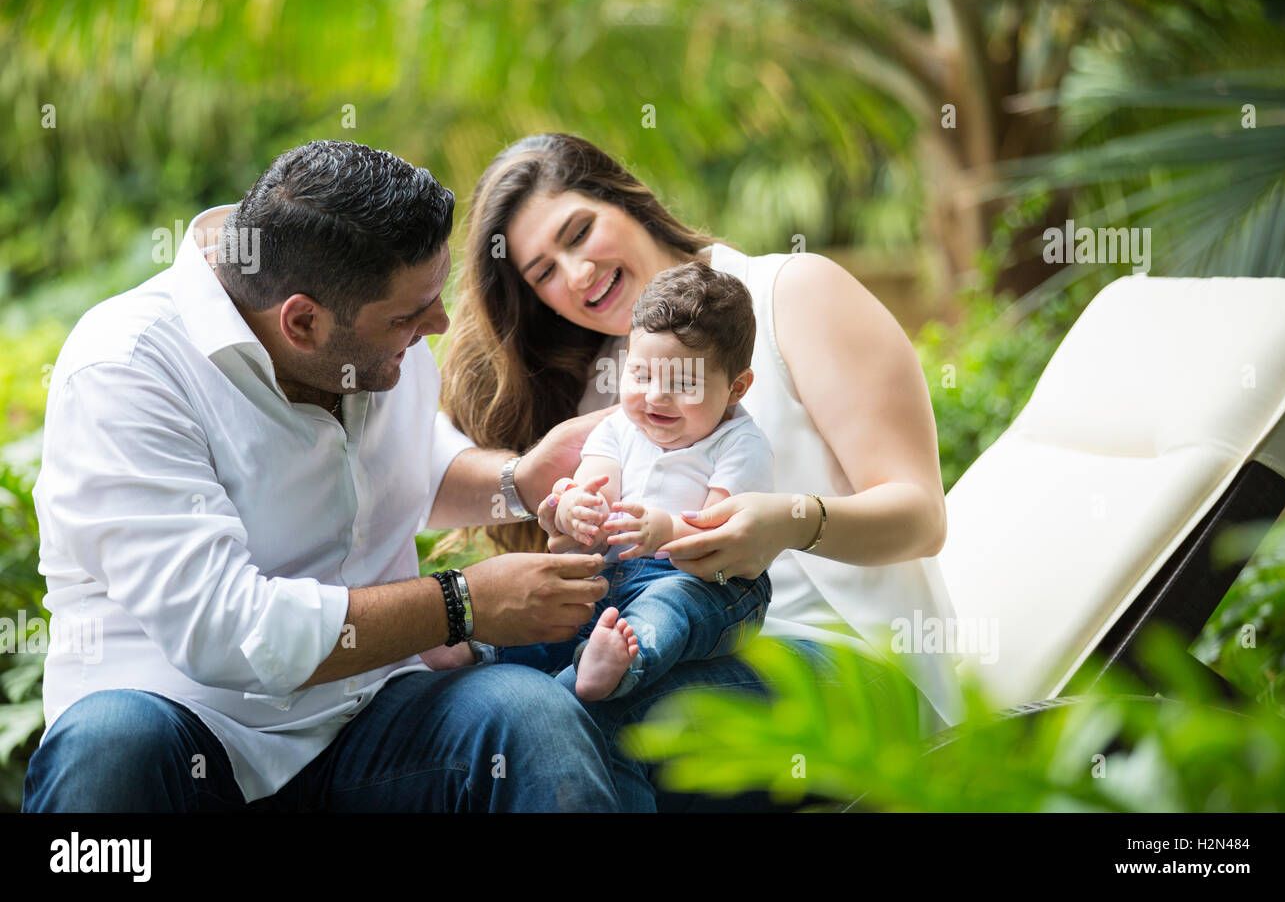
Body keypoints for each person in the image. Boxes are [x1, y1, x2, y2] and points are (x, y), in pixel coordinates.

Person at [23, 140, 621, 812]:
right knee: (110, 743)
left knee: (526, 716)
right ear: (302, 321)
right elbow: (225, 628)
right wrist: (460, 605)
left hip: (369, 718)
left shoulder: (374, 332)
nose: (440, 325)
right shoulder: (125, 369)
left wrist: (518, 481)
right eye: (410, 317)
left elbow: (407, 462)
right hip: (186, 735)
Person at [439, 132, 966, 811]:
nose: (574, 274)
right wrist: (573, 523)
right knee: (497, 713)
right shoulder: (610, 395)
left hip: (851, 667)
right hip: (669, 648)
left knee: (592, 720)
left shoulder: (791, 293)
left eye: (580, 232)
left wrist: (788, 522)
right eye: (542, 272)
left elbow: (921, 516)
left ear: (629, 201)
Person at [457, 262, 776, 702]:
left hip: (712, 583)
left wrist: (665, 530)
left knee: (669, 607)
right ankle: (483, 648)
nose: (656, 396)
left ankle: (628, 659)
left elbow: (725, 534)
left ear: (737, 387)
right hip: (617, 572)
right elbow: (594, 491)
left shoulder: (740, 443)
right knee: (566, 602)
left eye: (684, 383)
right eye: (642, 375)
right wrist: (574, 508)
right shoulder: (618, 428)